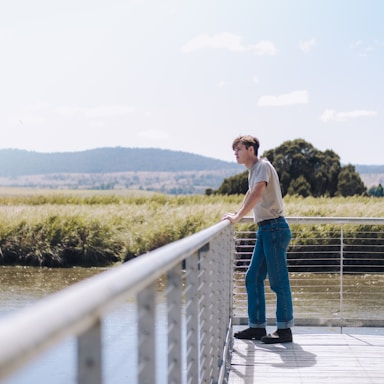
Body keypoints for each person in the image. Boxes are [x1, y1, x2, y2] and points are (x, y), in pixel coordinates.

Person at [222, 135, 293, 344]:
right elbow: (249, 193)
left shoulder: (262, 166)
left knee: (279, 282)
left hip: (274, 228)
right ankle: (257, 326)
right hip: (265, 229)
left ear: (251, 149)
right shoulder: (254, 171)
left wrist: (237, 217)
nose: (235, 153)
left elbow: (257, 194)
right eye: (234, 150)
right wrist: (235, 213)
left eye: (239, 149)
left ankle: (285, 329)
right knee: (252, 278)